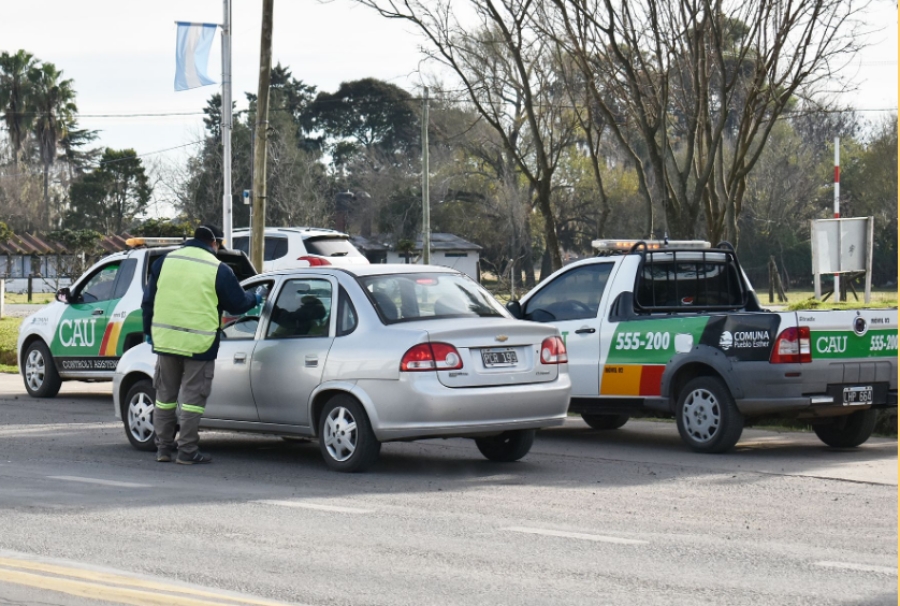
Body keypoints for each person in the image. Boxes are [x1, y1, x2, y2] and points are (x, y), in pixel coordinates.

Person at [141, 224, 261, 465]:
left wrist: (148, 333)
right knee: (192, 401)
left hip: (166, 342)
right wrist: (256, 298)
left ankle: (163, 449)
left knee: (165, 397)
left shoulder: (163, 262)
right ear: (214, 243)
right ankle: (186, 451)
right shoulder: (218, 268)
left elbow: (148, 303)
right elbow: (237, 303)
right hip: (199, 344)